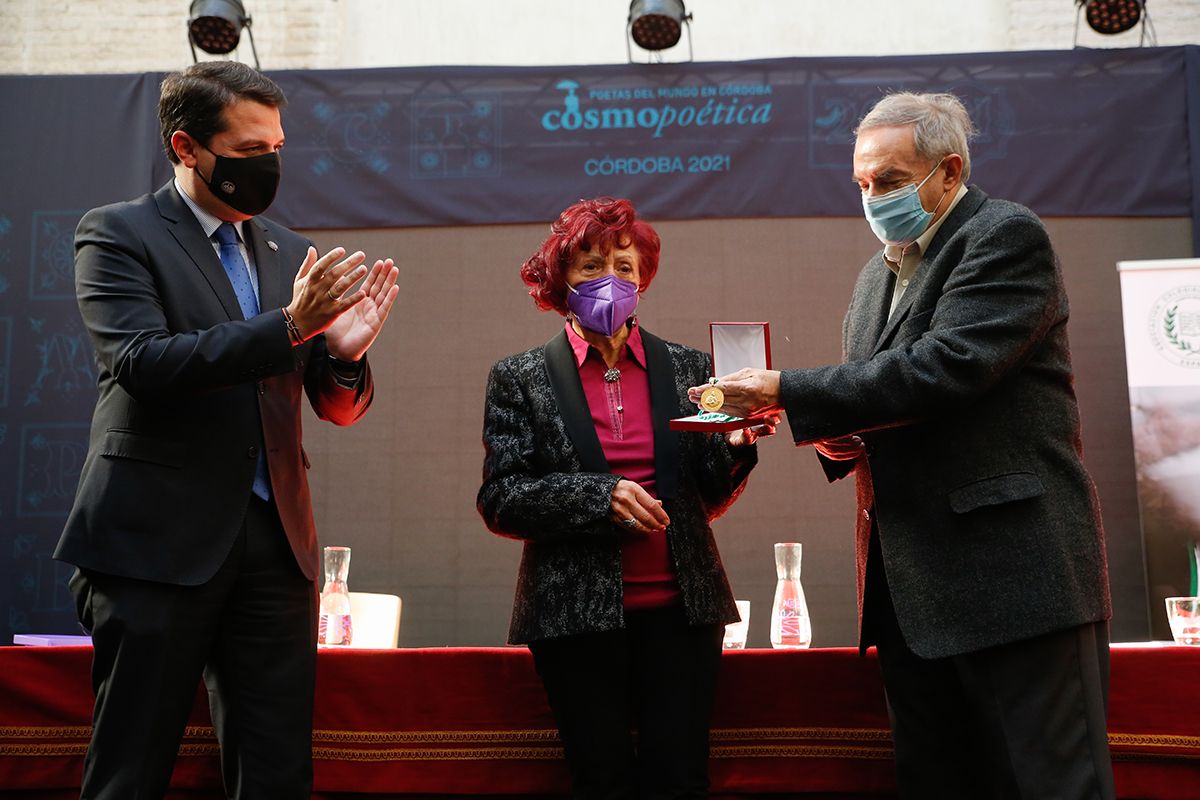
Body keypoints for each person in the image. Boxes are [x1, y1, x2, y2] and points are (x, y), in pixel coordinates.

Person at [691, 93, 1114, 797]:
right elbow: (882, 402)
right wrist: (832, 438)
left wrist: (786, 389)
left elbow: (946, 369)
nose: (872, 198)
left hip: (1016, 584)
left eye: (889, 181)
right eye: (862, 184)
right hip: (912, 595)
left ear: (948, 173)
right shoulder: (873, 279)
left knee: (1051, 785)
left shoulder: (1005, 235)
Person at [54, 61, 399, 799]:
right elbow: (141, 364)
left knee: (276, 772)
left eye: (276, 145)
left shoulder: (289, 252)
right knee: (131, 767)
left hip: (276, 549)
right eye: (248, 152)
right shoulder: (116, 234)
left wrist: (343, 359)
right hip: (153, 544)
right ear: (186, 147)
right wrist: (289, 326)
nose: (268, 164)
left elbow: (333, 408)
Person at [478, 197, 771, 800]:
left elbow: (707, 497)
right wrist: (599, 497)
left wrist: (739, 441)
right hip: (572, 618)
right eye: (590, 267)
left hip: (684, 613)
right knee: (600, 779)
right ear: (561, 277)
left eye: (624, 267)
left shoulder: (693, 369)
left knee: (681, 778)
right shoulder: (521, 377)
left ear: (643, 279)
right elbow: (502, 498)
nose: (609, 280)